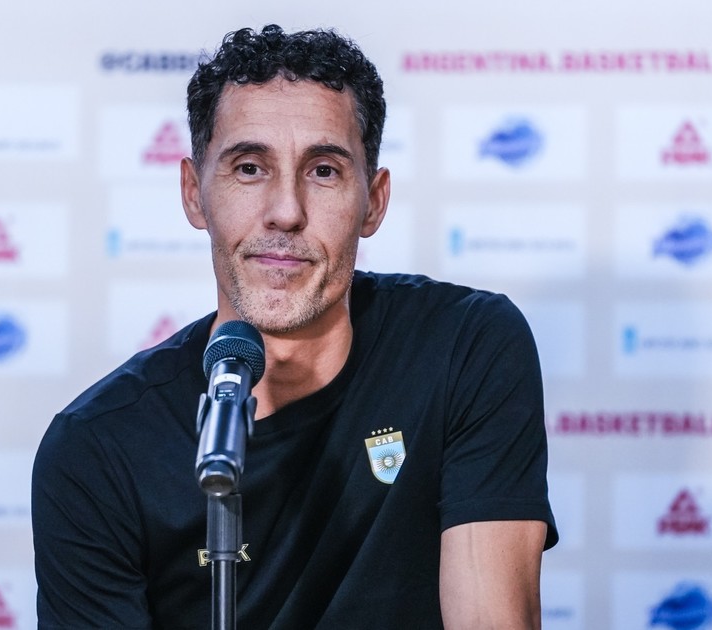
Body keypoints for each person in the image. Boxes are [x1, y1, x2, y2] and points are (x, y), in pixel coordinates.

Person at [33, 24, 558, 629]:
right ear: (194, 194)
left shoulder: (465, 348)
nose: (286, 211)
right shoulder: (98, 448)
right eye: (249, 168)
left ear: (374, 201)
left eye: (324, 171)